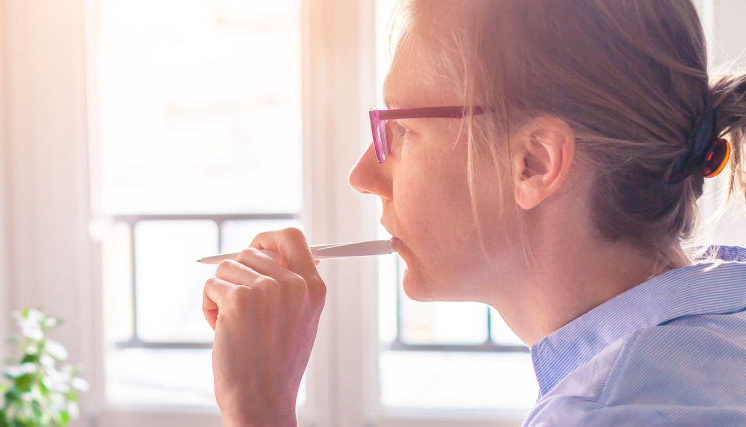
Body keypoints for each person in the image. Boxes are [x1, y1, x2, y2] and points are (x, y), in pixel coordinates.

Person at [201, 0, 746, 425]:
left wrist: (257, 412)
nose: (363, 176)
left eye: (403, 130)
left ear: (534, 162)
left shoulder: (602, 413)